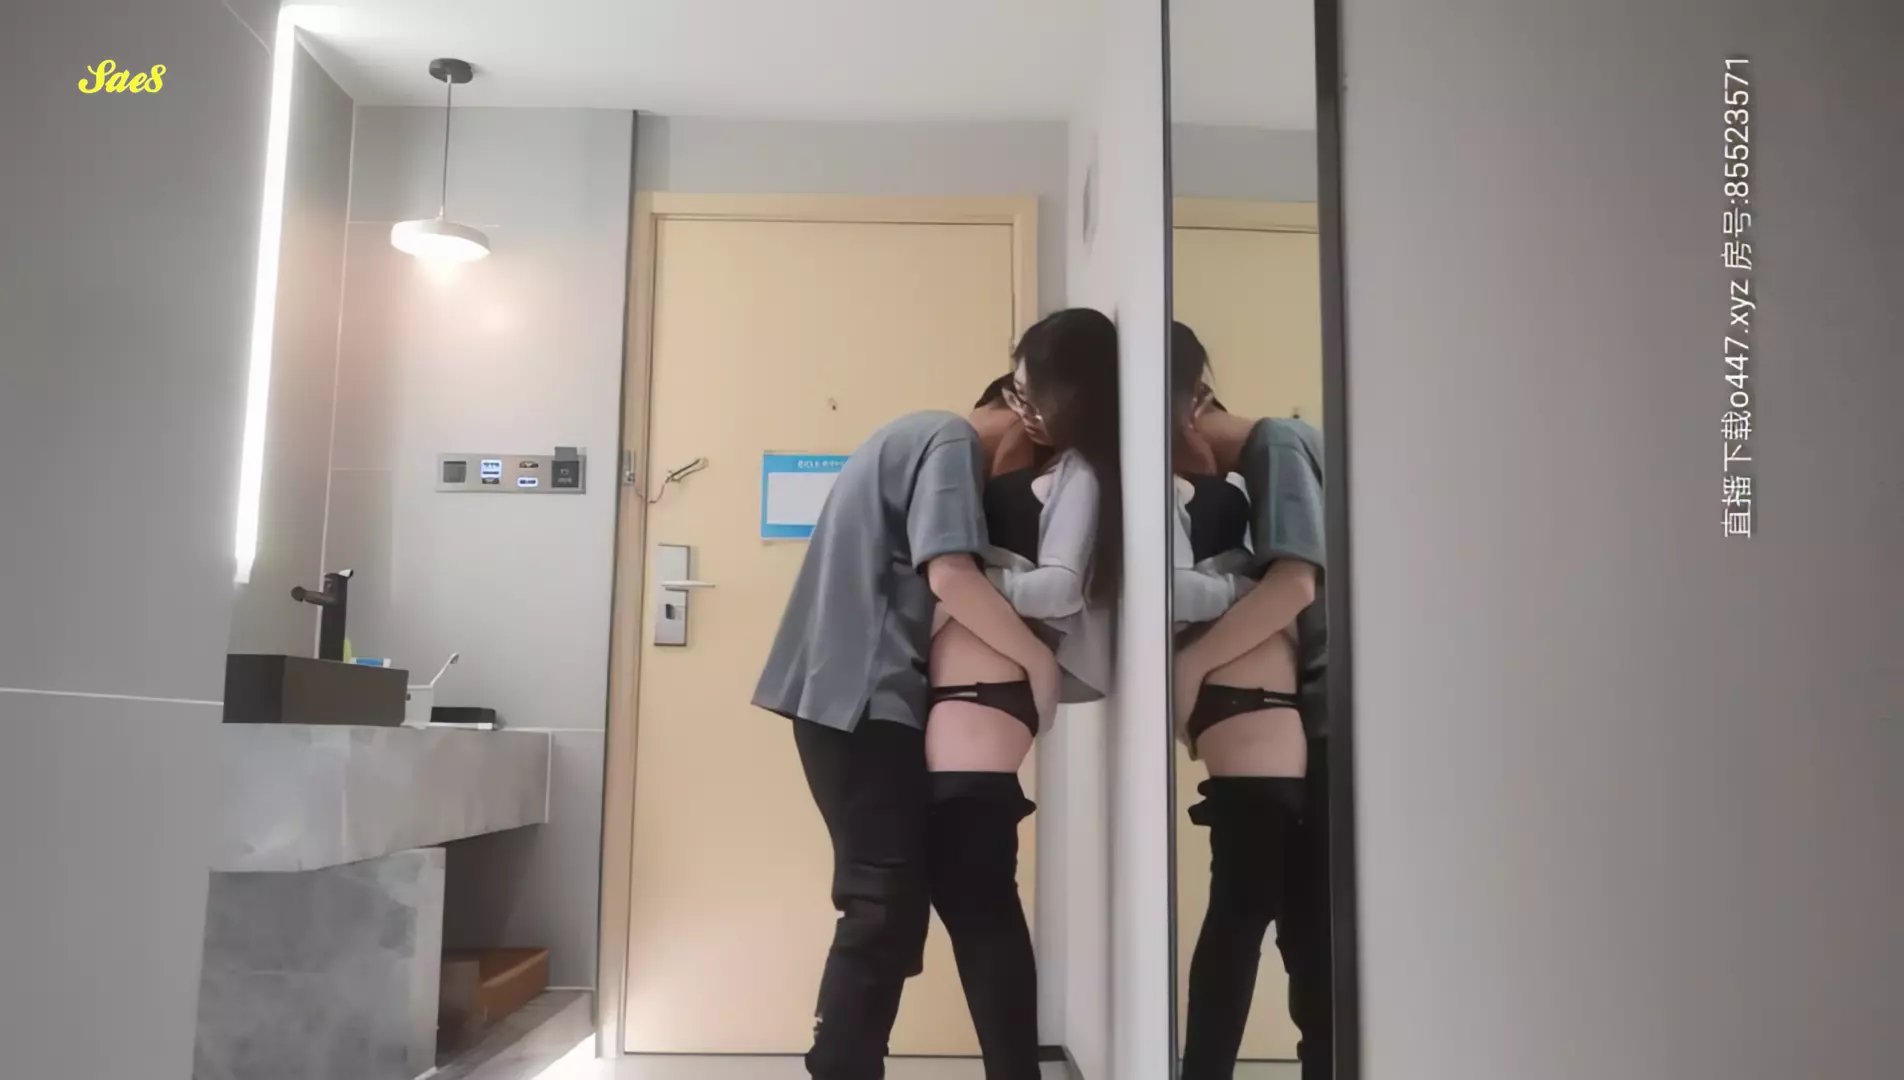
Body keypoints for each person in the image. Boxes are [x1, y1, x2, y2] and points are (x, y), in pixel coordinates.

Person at [752, 386, 1062, 1080]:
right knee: (881, 903)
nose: (1018, 481)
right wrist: (1040, 663)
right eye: (1038, 461)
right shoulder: (947, 436)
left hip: (851, 694)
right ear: (1024, 414)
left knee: (889, 904)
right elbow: (951, 574)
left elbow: (923, 589)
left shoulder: (900, 444)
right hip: (861, 698)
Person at [919, 308, 1121, 1080]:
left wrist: (957, 587)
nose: (1021, 410)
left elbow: (1062, 588)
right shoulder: (1000, 470)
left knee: (976, 894)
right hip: (963, 695)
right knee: (970, 892)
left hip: (982, 692)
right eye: (1014, 393)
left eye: (1029, 394)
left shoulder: (1078, 472)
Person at [1170, 322, 1331, 1080]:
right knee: (1298, 922)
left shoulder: (1277, 444)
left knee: (1264, 916)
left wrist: (1192, 666)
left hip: (1321, 710)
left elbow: (1295, 585)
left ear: (1194, 404)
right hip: (1309, 714)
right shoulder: (1267, 461)